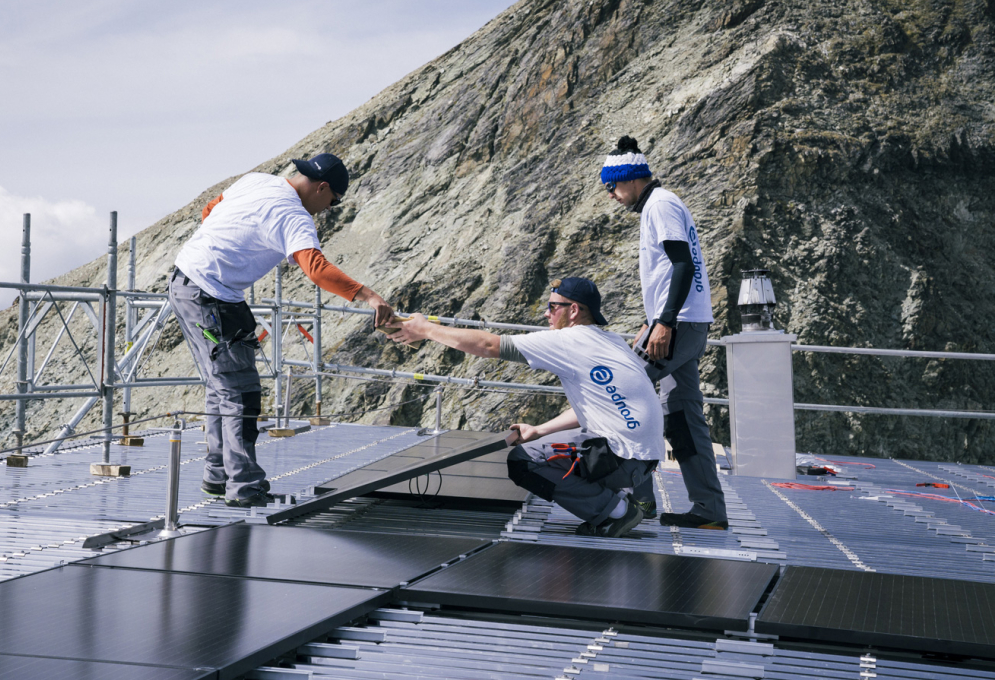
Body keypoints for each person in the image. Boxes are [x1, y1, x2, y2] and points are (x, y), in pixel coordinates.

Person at [170, 153, 394, 508]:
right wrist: (369, 295)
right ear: (322, 188)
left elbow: (210, 209)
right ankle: (245, 489)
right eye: (333, 202)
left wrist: (228, 248)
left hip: (187, 283)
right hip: (211, 298)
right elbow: (316, 269)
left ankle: (218, 477)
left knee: (221, 385)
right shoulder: (294, 216)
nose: (328, 209)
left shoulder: (257, 180)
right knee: (240, 392)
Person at [389, 277, 664, 537]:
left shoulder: (569, 340)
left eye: (553, 307)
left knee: (524, 461)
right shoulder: (610, 340)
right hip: (640, 461)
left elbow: (487, 345)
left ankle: (616, 513)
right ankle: (618, 498)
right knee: (544, 445)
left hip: (620, 459)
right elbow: (600, 407)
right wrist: (540, 430)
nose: (546, 313)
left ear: (573, 310)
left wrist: (425, 329)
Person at [602, 136, 728, 530]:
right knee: (683, 417)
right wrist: (654, 317)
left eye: (611, 185)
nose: (610, 195)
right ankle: (709, 509)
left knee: (621, 390)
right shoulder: (657, 206)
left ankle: (640, 499)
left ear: (631, 178)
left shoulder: (660, 205)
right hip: (682, 321)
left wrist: (665, 322)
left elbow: (683, 265)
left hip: (679, 324)